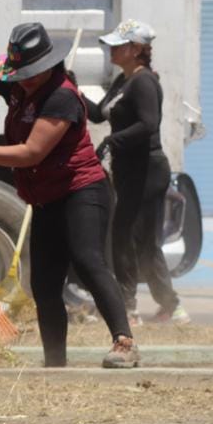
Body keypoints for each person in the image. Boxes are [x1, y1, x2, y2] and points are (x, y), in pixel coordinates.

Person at [0, 16, 138, 368]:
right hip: (46, 196)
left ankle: (124, 342)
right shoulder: (19, 85)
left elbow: (32, 152)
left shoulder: (61, 97)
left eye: (29, 72)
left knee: (88, 261)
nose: (23, 79)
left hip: (82, 189)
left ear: (46, 65)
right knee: (44, 284)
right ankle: (54, 362)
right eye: (19, 72)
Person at [89, 19, 189, 326]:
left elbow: (148, 124)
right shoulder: (123, 82)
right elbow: (98, 115)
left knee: (125, 236)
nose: (111, 50)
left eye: (118, 45)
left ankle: (128, 308)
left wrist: (112, 140)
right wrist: (71, 89)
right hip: (129, 170)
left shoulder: (144, 82)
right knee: (144, 242)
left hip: (147, 171)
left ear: (134, 49)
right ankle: (171, 305)